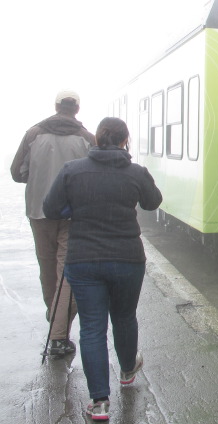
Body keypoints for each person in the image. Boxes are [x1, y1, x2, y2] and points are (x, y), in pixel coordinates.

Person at [43, 117, 162, 422]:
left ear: (96, 139)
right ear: (125, 140)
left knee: (92, 327)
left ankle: (99, 403)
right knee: (124, 317)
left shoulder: (72, 171)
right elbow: (152, 203)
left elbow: (50, 209)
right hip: (127, 259)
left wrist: (75, 207)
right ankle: (127, 370)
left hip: (83, 260)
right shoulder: (136, 172)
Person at [10, 90, 95, 357]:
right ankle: (59, 333)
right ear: (77, 109)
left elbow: (17, 173)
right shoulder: (87, 138)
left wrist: (39, 176)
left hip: (39, 213)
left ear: (56, 106)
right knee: (66, 273)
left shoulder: (33, 133)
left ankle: (55, 319)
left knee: (47, 269)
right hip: (72, 216)